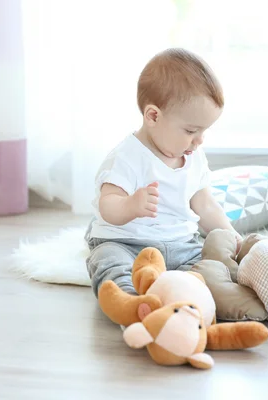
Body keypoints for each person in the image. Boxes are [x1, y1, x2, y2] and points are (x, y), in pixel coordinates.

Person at [85, 47, 242, 300]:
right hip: (126, 243)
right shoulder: (127, 156)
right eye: (191, 130)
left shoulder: (194, 156)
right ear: (153, 116)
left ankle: (191, 297)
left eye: (204, 131)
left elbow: (205, 206)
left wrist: (233, 239)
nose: (199, 140)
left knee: (209, 271)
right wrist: (129, 205)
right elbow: (108, 206)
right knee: (109, 262)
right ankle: (131, 302)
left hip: (181, 245)